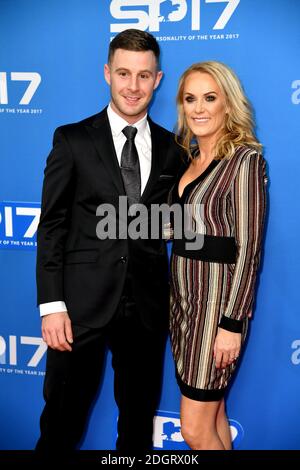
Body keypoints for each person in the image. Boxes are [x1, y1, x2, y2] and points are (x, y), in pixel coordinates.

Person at [35, 28, 182, 452]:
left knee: (137, 430)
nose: (132, 87)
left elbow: (168, 222)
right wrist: (52, 306)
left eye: (143, 76)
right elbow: (52, 226)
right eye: (123, 73)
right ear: (107, 74)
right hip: (78, 311)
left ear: (157, 79)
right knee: (61, 423)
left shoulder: (175, 148)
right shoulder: (73, 139)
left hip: (147, 311)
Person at [169, 61, 267, 450]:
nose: (199, 108)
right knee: (214, 416)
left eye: (210, 98)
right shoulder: (189, 161)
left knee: (194, 430)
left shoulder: (244, 160)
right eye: (191, 99)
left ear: (228, 103)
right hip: (183, 304)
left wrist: (231, 323)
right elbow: (179, 230)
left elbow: (249, 248)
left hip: (216, 310)